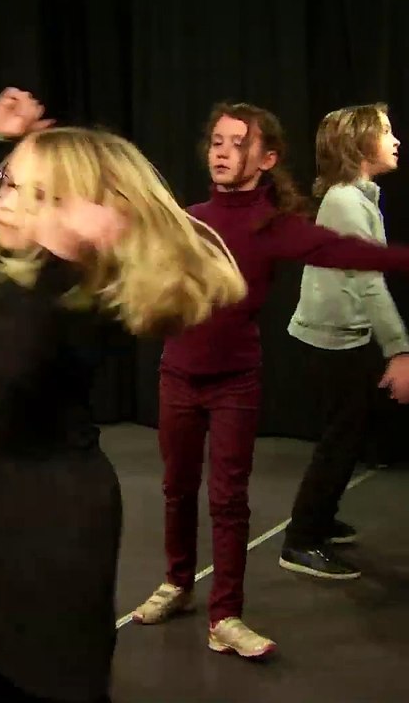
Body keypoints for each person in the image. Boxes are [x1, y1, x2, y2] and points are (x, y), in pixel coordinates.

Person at [0, 88, 247, 703]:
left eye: (32, 192)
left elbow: (6, 383)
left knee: (54, 680)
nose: (3, 201)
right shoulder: (16, 272)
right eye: (6, 182)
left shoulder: (77, 295)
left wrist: (67, 249)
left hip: (57, 518)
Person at [131, 102, 409, 658]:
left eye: (237, 142)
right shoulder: (190, 217)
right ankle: (178, 583)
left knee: (230, 501)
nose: (222, 151)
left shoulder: (274, 225)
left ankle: (226, 617)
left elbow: (346, 252)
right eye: (216, 141)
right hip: (178, 376)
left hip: (236, 382)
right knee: (178, 488)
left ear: (267, 158)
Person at [282, 102, 409, 580]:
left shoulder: (358, 198)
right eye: (386, 132)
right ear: (358, 144)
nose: (395, 140)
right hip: (330, 340)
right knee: (340, 440)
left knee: (348, 435)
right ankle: (300, 540)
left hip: (344, 335)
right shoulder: (344, 201)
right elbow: (368, 279)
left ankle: (319, 518)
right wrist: (399, 349)